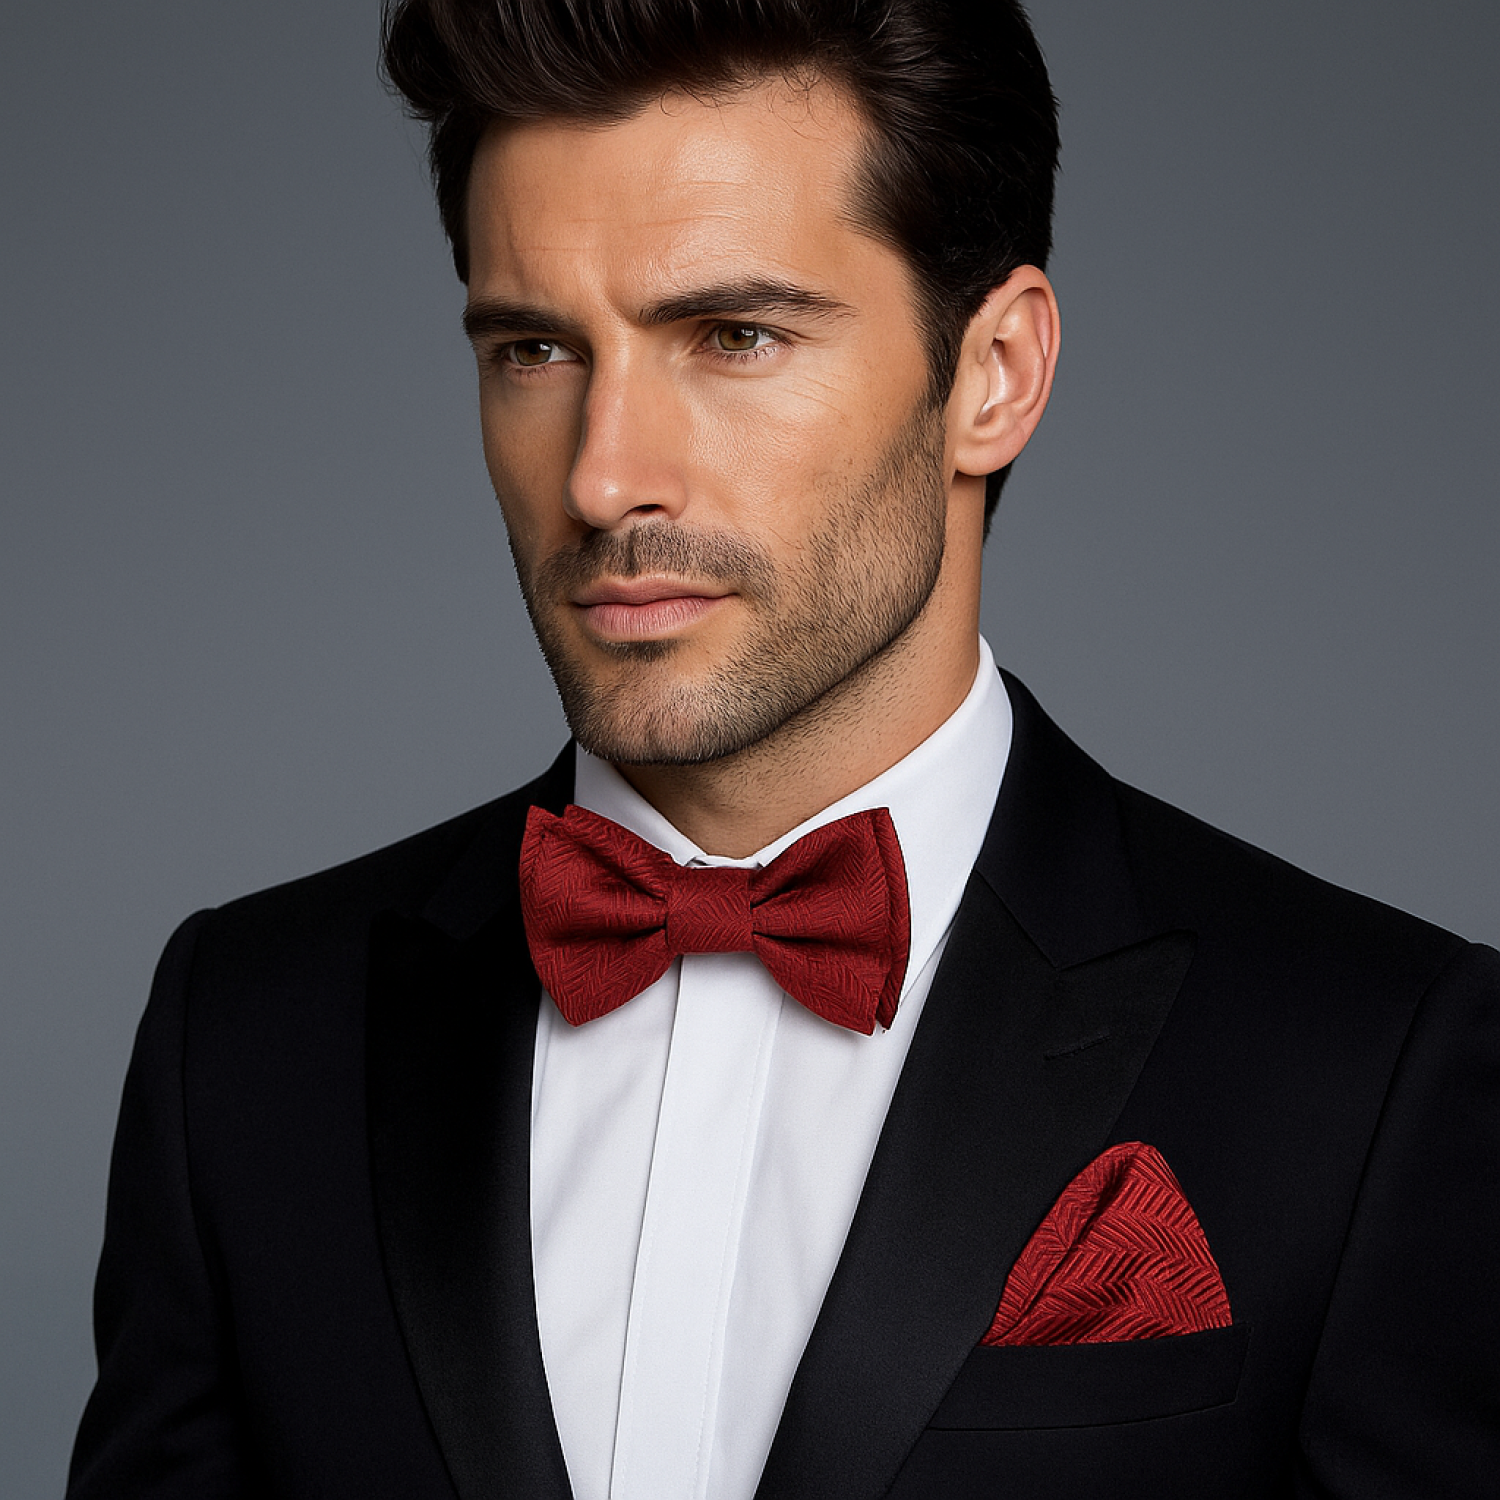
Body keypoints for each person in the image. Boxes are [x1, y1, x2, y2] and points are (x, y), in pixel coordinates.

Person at [67, 2, 1499, 1496]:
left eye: (734, 335)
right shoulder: (242, 1042)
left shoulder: (1371, 1068)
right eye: (538, 348)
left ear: (995, 370)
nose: (607, 473)